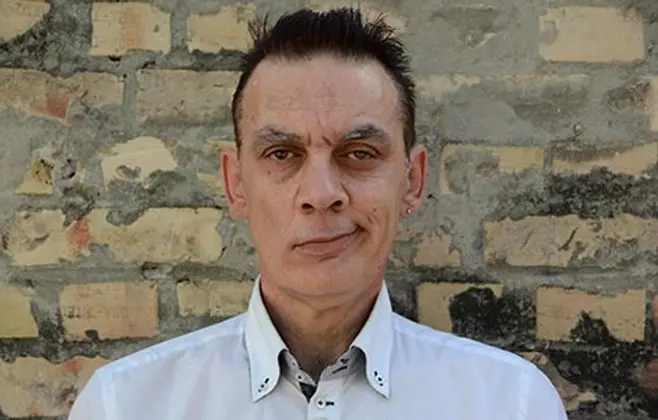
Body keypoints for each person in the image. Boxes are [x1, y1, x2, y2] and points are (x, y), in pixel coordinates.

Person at [68, 7, 567, 420]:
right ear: (236, 184)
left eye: (359, 153)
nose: (321, 193)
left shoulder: (510, 403)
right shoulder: (123, 405)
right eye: (282, 154)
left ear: (413, 181)